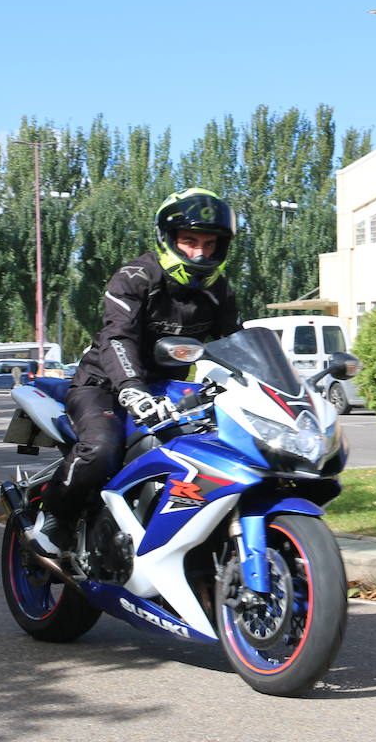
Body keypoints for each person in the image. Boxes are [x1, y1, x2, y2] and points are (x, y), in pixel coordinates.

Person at [31, 187, 243, 553]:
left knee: (211, 454)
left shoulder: (218, 290)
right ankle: (55, 518)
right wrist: (131, 386)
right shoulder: (135, 277)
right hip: (102, 386)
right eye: (190, 241)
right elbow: (118, 337)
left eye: (210, 244)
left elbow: (235, 343)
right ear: (168, 238)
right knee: (102, 449)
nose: (200, 253)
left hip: (167, 393)